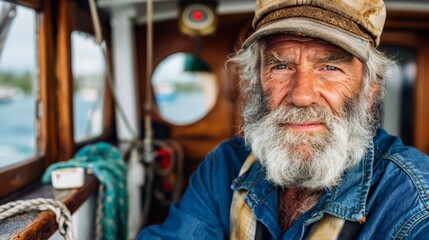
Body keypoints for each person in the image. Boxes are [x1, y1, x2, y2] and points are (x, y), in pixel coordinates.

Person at [138, 0, 429, 239]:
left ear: (369, 91)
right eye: (281, 65)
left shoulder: (412, 201)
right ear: (256, 82)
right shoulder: (225, 168)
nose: (301, 95)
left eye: (329, 67)